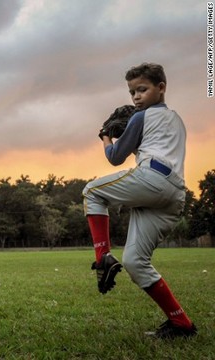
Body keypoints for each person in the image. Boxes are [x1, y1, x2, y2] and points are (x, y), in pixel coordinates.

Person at [83, 63, 197, 339]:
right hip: (174, 194)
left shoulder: (139, 118)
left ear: (161, 87)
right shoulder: (177, 120)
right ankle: (181, 323)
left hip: (153, 179)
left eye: (142, 89)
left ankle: (103, 259)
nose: (136, 97)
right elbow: (153, 143)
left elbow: (114, 157)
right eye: (132, 91)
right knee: (135, 262)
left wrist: (106, 137)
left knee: (91, 192)